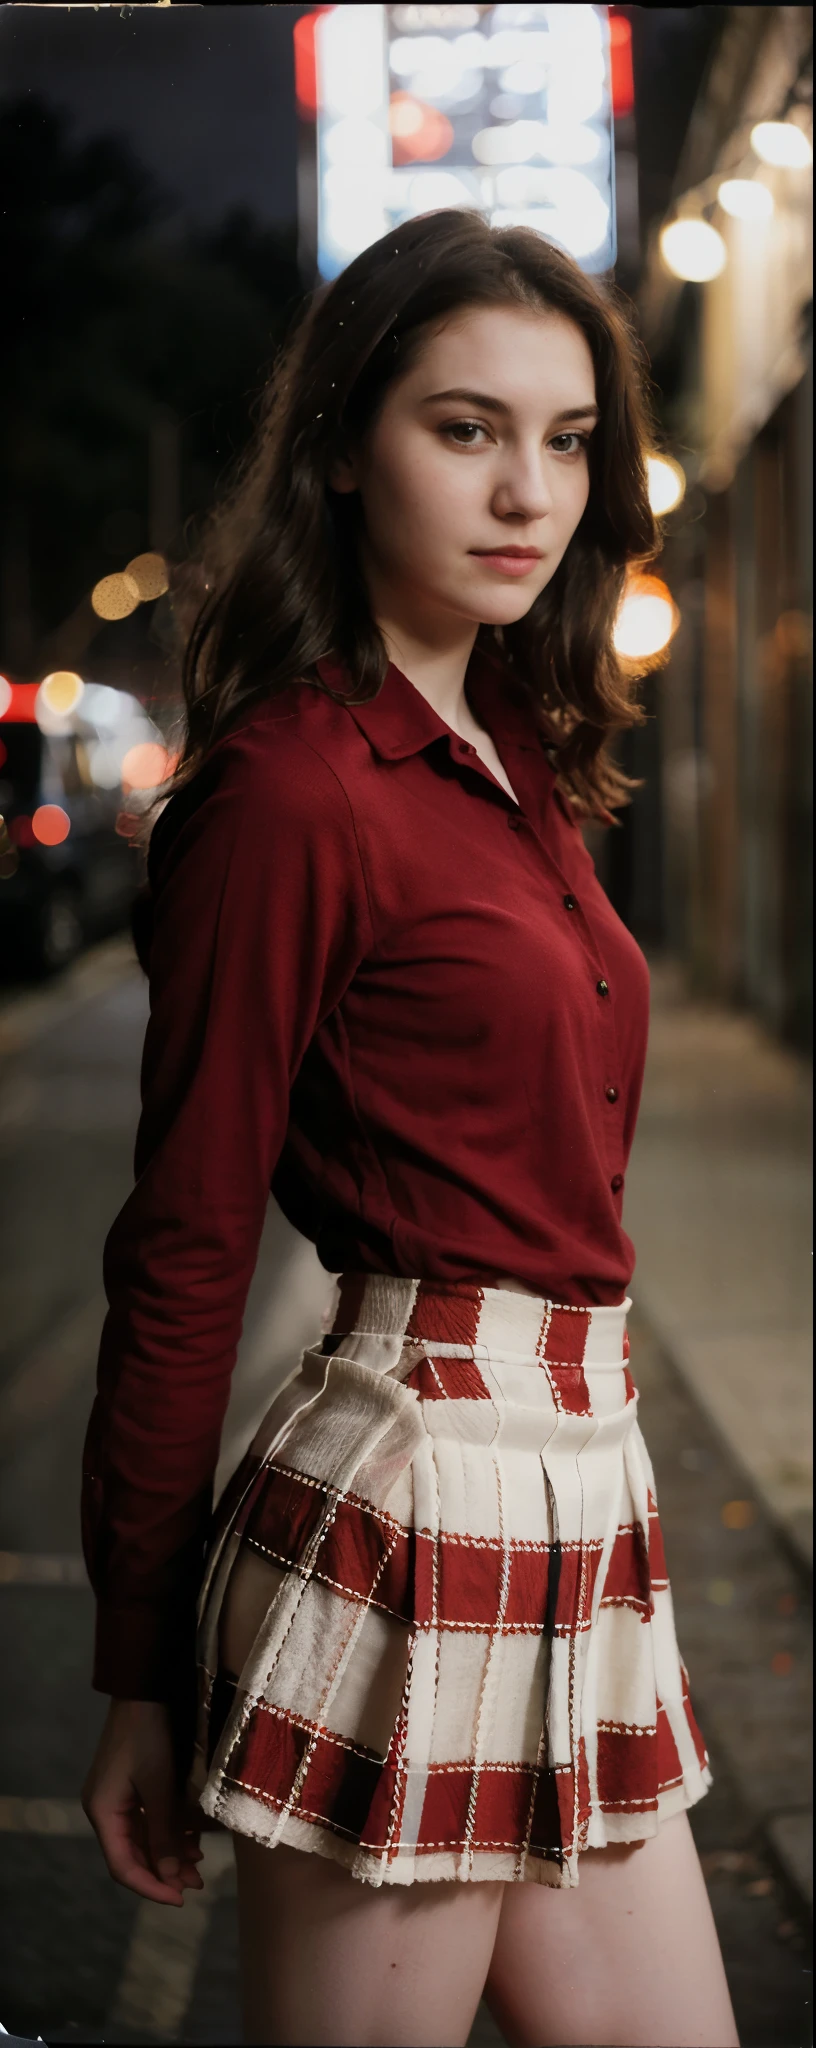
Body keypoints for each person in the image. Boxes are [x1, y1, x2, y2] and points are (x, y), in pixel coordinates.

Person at [80, 209, 739, 2048]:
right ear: (343, 447)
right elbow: (189, 1242)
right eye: (465, 429)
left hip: (581, 1493)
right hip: (413, 1503)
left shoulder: (519, 753)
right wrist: (138, 1667)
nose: (527, 487)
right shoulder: (293, 789)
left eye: (568, 436)